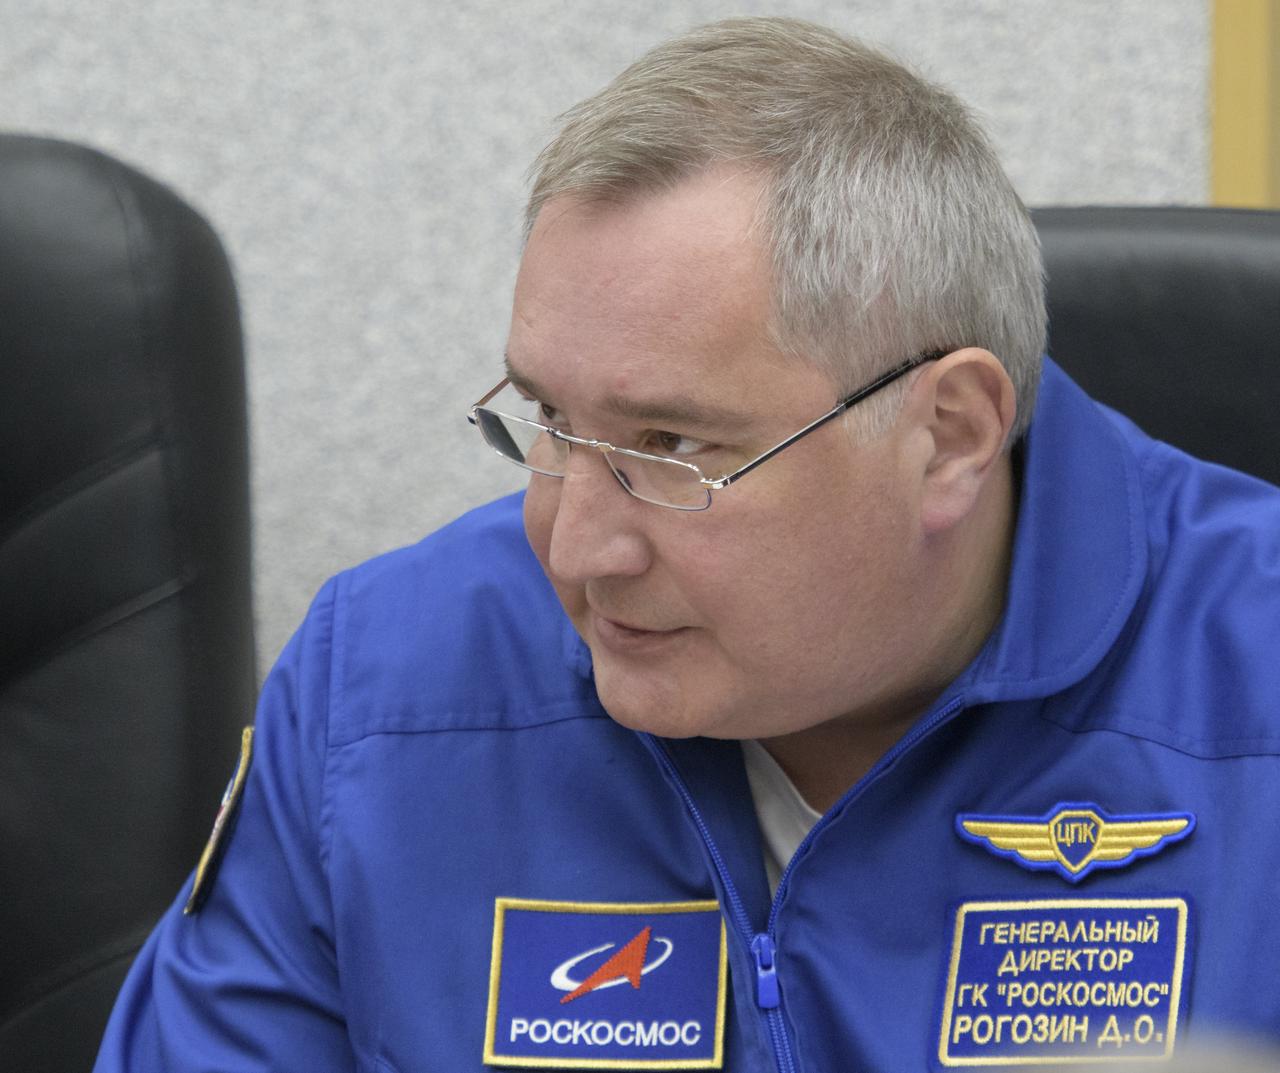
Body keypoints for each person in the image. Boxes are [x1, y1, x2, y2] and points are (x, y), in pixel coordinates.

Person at [94, 17, 1280, 1073]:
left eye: (671, 447)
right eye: (550, 422)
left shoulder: (1251, 676)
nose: (575, 547)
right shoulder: (382, 692)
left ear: (947, 434)